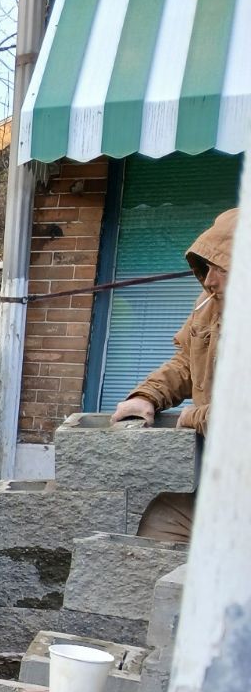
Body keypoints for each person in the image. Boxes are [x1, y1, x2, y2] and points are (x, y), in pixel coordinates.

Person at [108, 207, 236, 544]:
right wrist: (146, 395)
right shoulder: (211, 303)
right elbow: (186, 362)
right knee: (163, 522)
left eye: (221, 269)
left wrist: (192, 417)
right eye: (207, 268)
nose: (209, 280)